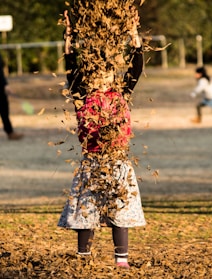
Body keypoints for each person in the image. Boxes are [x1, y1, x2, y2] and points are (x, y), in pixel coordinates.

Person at [57, 9, 146, 269]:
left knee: (119, 212)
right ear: (90, 76)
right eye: (97, 74)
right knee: (86, 212)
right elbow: (71, 68)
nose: (102, 77)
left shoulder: (121, 96)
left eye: (108, 73)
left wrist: (133, 34)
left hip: (118, 164)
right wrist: (69, 38)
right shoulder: (82, 99)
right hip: (92, 163)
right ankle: (83, 257)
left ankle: (122, 260)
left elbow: (136, 66)